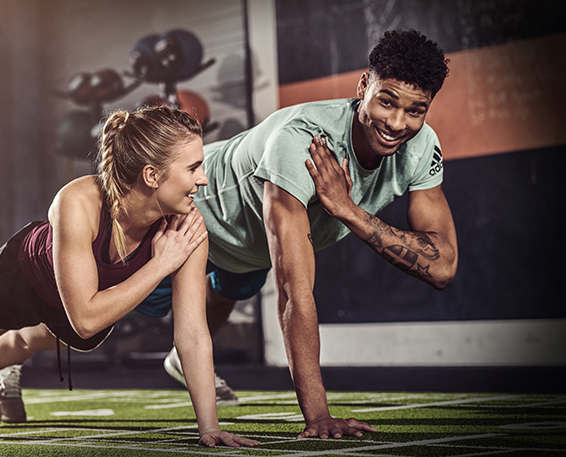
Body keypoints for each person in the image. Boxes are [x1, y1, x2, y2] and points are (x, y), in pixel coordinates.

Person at [0, 106, 259, 449]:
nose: (204, 179)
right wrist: (159, 265)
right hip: (23, 276)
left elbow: (191, 331)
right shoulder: (78, 200)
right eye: (194, 167)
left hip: (86, 297)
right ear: (152, 176)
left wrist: (209, 427)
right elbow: (85, 317)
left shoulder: (187, 226)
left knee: (32, 339)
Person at [162, 28, 458, 439]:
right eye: (386, 101)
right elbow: (293, 293)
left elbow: (442, 266)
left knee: (233, 286)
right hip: (186, 209)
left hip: (247, 248)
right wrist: (318, 415)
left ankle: (181, 356)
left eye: (415, 110)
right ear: (363, 86)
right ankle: (36, 338)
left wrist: (349, 211)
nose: (396, 122)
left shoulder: (422, 147)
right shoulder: (303, 141)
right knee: (92, 319)